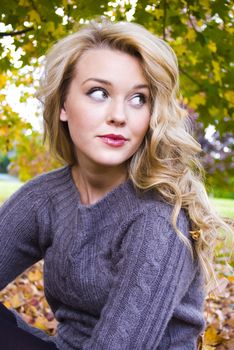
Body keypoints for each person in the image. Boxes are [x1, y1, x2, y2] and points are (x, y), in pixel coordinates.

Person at [0, 20, 231, 350]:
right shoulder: (46, 198)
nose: (119, 116)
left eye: (139, 98)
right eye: (99, 93)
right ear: (63, 105)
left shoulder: (157, 220)